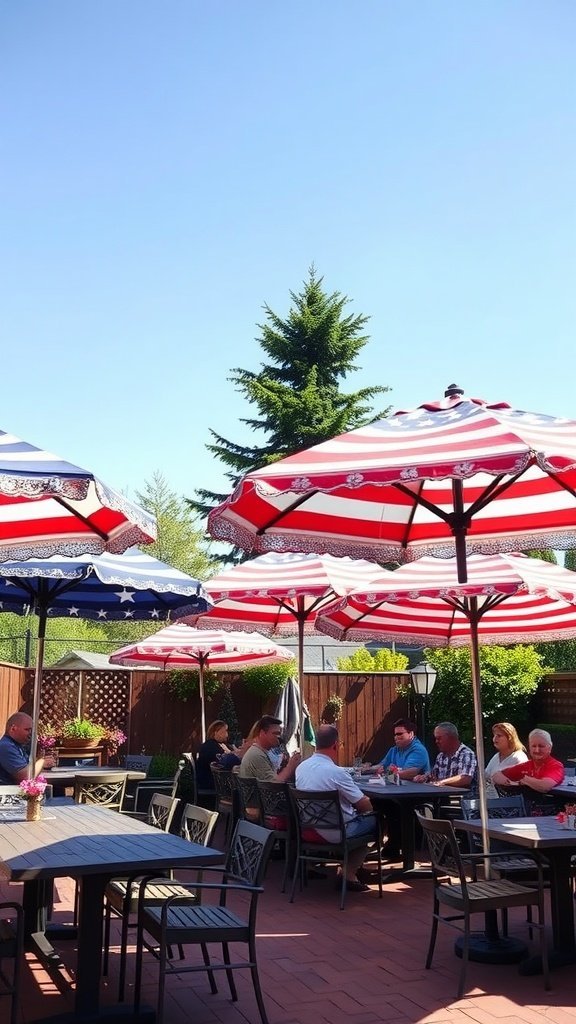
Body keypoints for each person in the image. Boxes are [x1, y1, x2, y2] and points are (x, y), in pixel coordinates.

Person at [295, 724, 378, 892]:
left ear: (316, 743)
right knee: (377, 822)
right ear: (335, 745)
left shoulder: (301, 768)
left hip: (308, 828)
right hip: (337, 832)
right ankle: (349, 873)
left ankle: (351, 866)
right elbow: (363, 804)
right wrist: (367, 812)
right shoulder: (337, 773)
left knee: (362, 820)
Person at [371, 718, 431, 861]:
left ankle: (395, 847)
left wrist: (386, 773)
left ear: (411, 734)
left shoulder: (418, 749)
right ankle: (384, 844)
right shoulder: (394, 750)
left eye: (400, 734)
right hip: (398, 792)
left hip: (416, 795)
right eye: (395, 734)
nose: (396, 737)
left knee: (391, 807)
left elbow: (409, 773)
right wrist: (364, 769)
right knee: (376, 803)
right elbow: (381, 766)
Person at [492, 728, 564, 793]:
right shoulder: (527, 765)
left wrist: (524, 779)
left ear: (549, 748)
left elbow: (545, 786)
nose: (537, 750)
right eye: (533, 746)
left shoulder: (556, 766)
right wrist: (511, 783)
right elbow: (496, 775)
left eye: (541, 746)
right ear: (529, 747)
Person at [414, 721, 477, 790]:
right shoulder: (441, 756)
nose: (436, 741)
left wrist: (442, 782)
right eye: (436, 739)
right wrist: (424, 777)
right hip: (443, 794)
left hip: (464, 795)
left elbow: (465, 778)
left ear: (451, 738)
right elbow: (433, 776)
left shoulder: (466, 754)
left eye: (439, 738)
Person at [239, 715, 301, 783]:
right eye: (275, 733)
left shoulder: (260, 752)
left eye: (279, 734)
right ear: (262, 733)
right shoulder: (256, 755)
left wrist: (284, 767)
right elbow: (273, 784)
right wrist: (290, 766)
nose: (279, 737)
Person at [0, 712, 56, 784]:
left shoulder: (16, 745)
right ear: (13, 728)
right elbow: (25, 776)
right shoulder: (6, 746)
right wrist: (42, 762)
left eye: (31, 730)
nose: (30, 733)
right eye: (27, 730)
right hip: (8, 789)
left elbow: (27, 767)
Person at [484, 722, 528, 796]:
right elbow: (486, 776)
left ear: (510, 738)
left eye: (499, 736)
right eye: (494, 735)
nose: (494, 739)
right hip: (490, 797)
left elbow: (522, 784)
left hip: (509, 799)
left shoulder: (519, 757)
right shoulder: (496, 757)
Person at [196, 720, 240, 793]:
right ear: (215, 732)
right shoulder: (210, 747)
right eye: (224, 731)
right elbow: (226, 763)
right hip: (211, 783)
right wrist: (233, 754)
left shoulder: (219, 744)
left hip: (217, 782)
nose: (227, 735)